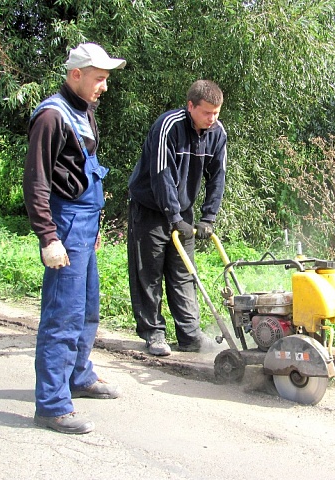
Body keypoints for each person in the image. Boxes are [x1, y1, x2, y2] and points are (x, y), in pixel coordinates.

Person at [23, 43, 126, 434]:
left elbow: (83, 172)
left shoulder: (84, 110)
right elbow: (36, 182)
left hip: (85, 225)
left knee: (87, 310)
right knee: (62, 317)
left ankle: (79, 377)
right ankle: (51, 405)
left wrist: (95, 226)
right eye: (99, 79)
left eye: (106, 79)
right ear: (76, 75)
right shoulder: (52, 116)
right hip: (64, 226)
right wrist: (48, 237)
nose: (104, 87)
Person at [127, 80, 227, 357]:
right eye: (207, 112)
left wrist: (209, 217)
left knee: (184, 274)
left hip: (183, 212)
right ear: (190, 106)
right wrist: (173, 216)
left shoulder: (217, 133)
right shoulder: (168, 126)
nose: (212, 118)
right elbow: (162, 174)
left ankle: (190, 335)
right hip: (150, 209)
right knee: (149, 273)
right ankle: (153, 333)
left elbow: (218, 177)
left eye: (216, 112)